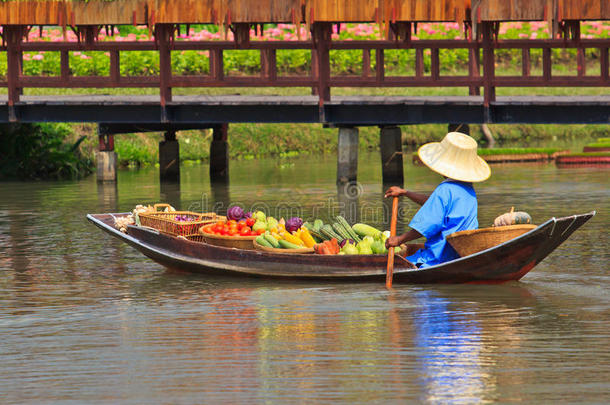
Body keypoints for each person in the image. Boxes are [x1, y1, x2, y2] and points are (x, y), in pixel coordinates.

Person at [384, 131, 491, 268]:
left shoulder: (445, 190)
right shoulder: (468, 190)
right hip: (462, 255)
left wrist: (399, 239)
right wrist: (405, 193)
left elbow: (428, 224)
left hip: (439, 257)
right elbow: (435, 206)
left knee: (403, 264)